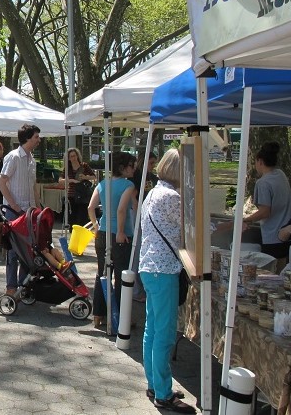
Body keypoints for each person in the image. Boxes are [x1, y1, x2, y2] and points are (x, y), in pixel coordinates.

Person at [138, 147, 196, 413]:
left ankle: (155, 384)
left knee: (152, 330)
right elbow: (194, 226)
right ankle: (163, 392)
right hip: (163, 270)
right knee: (164, 333)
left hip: (149, 267)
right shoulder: (172, 196)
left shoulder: (153, 192)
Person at [87, 151, 137, 327]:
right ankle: (121, 318)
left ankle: (98, 314)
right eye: (131, 166)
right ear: (122, 168)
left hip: (103, 232)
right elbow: (122, 209)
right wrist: (121, 231)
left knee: (102, 273)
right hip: (120, 235)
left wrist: (96, 225)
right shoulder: (128, 185)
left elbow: (91, 207)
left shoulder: (102, 184)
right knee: (122, 275)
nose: (134, 168)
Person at [0, 124, 41, 296]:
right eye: (36, 137)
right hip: (14, 212)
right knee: (13, 252)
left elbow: (33, 186)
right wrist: (14, 205)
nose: (39, 140)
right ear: (28, 138)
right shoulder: (13, 157)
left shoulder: (32, 160)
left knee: (27, 251)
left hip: (29, 212)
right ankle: (11, 287)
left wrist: (38, 207)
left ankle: (23, 287)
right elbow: (1, 183)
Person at [244, 142, 291, 270]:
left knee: (271, 273)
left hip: (272, 236)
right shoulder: (281, 174)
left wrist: (246, 220)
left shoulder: (263, 183)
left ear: (260, 161)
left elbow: (265, 211)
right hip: (286, 234)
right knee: (282, 268)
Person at [131, 151, 158, 302]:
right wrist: (138, 215)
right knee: (137, 251)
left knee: (143, 250)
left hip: (149, 217)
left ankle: (140, 287)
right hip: (138, 217)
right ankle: (136, 289)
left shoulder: (153, 178)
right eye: (151, 163)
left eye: (154, 163)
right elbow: (133, 197)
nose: (153, 166)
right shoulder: (136, 176)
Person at [61, 147, 96, 228]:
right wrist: (71, 180)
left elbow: (94, 177)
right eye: (71, 157)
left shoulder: (84, 166)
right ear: (68, 158)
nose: (73, 158)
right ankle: (73, 233)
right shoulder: (68, 168)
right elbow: (60, 180)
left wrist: (85, 177)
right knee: (72, 218)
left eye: (74, 156)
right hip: (72, 195)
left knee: (82, 218)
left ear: (77, 156)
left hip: (83, 194)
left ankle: (81, 233)